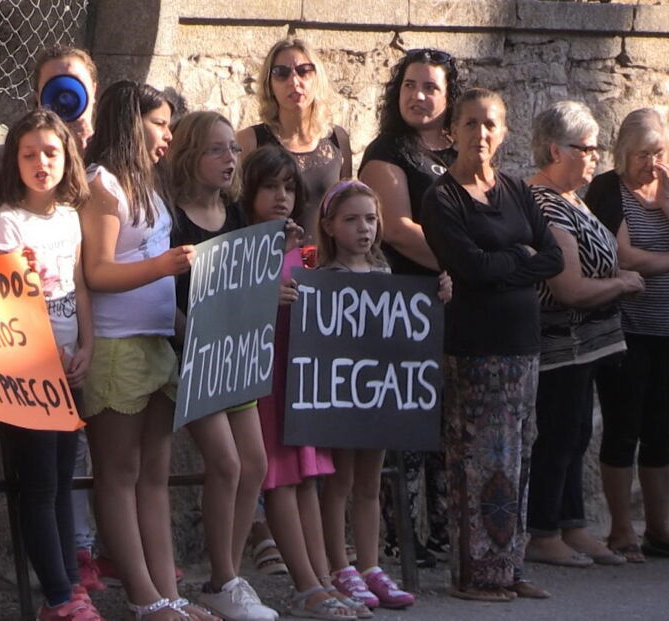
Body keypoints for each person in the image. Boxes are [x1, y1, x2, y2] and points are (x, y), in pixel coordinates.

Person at [421, 88, 564, 602]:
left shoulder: (517, 191)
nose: (480, 133)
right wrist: (517, 259)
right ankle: (473, 574)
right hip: (476, 350)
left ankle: (510, 565)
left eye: (490, 124)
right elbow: (470, 268)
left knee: (519, 455)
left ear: (503, 133)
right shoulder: (441, 197)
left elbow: (553, 259)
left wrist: (506, 260)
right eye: (471, 123)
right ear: (452, 131)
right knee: (476, 460)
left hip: (524, 346)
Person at [81, 80, 209, 621]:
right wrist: (165, 266)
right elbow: (97, 271)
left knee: (154, 478)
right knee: (118, 474)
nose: (168, 135)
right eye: (159, 123)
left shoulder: (149, 186)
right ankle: (142, 596)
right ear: (131, 123)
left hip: (157, 343)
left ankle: (169, 593)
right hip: (115, 348)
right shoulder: (102, 185)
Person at [0, 108, 100, 621]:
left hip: (69, 370)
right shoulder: (6, 222)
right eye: (29, 154)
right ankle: (57, 596)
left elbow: (79, 286)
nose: (41, 163)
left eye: (50, 152)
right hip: (27, 374)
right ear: (15, 162)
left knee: (61, 480)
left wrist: (88, 346)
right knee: (39, 484)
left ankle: (71, 588)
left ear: (66, 155)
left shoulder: (71, 217)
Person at [239, 145, 360, 620]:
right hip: (266, 380)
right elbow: (232, 307)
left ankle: (324, 580)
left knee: (309, 478)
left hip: (301, 380)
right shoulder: (243, 247)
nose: (281, 196)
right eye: (270, 187)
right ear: (248, 193)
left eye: (288, 187)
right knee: (283, 481)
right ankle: (306, 585)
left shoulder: (301, 249)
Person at [318, 180, 450, 611]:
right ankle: (341, 566)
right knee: (339, 483)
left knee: (370, 484)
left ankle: (371, 565)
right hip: (341, 397)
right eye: (351, 220)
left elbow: (402, 326)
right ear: (330, 226)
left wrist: (434, 300)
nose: (364, 229)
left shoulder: (386, 275)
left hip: (376, 397)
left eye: (371, 219)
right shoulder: (323, 279)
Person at [524, 101, 644, 568]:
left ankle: (571, 524)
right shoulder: (545, 201)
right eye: (587, 148)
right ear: (555, 149)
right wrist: (623, 283)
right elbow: (569, 288)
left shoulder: (573, 197)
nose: (596, 156)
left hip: (586, 344)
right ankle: (544, 530)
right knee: (558, 432)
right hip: (561, 343)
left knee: (575, 432)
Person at [166, 111, 276, 621]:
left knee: (254, 463)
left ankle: (226, 577)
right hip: (194, 356)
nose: (230, 159)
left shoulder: (234, 216)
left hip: (235, 356)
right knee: (227, 464)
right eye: (217, 150)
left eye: (233, 149)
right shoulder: (172, 217)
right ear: (190, 155)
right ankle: (224, 576)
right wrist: (192, 330)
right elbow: (166, 292)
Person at [357, 48, 459, 566]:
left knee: (447, 424)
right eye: (409, 85)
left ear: (450, 97)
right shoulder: (387, 151)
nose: (418, 96)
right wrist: (469, 260)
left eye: (431, 88)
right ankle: (400, 538)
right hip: (404, 302)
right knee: (406, 425)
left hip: (455, 300)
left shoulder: (463, 148)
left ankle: (445, 532)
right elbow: (395, 230)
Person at [586, 108, 669, 562]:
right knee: (623, 427)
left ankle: (660, 529)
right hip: (625, 329)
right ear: (622, 155)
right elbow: (624, 257)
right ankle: (622, 530)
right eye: (641, 154)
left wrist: (666, 201)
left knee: (661, 429)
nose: (651, 162)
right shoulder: (609, 189)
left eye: (658, 152)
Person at [32, 44, 105, 591]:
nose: (65, 98)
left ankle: (97, 553)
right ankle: (70, 566)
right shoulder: (36, 155)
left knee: (97, 455)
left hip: (92, 333)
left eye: (74, 87)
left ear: (93, 93)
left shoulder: (109, 154)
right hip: (45, 342)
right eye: (53, 87)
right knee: (52, 467)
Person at [236, 38, 351, 237]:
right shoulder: (249, 140)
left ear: (317, 78)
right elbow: (234, 210)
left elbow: (346, 209)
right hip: (269, 259)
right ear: (269, 84)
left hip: (324, 263)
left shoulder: (338, 140)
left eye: (304, 71)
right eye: (281, 73)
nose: (294, 81)